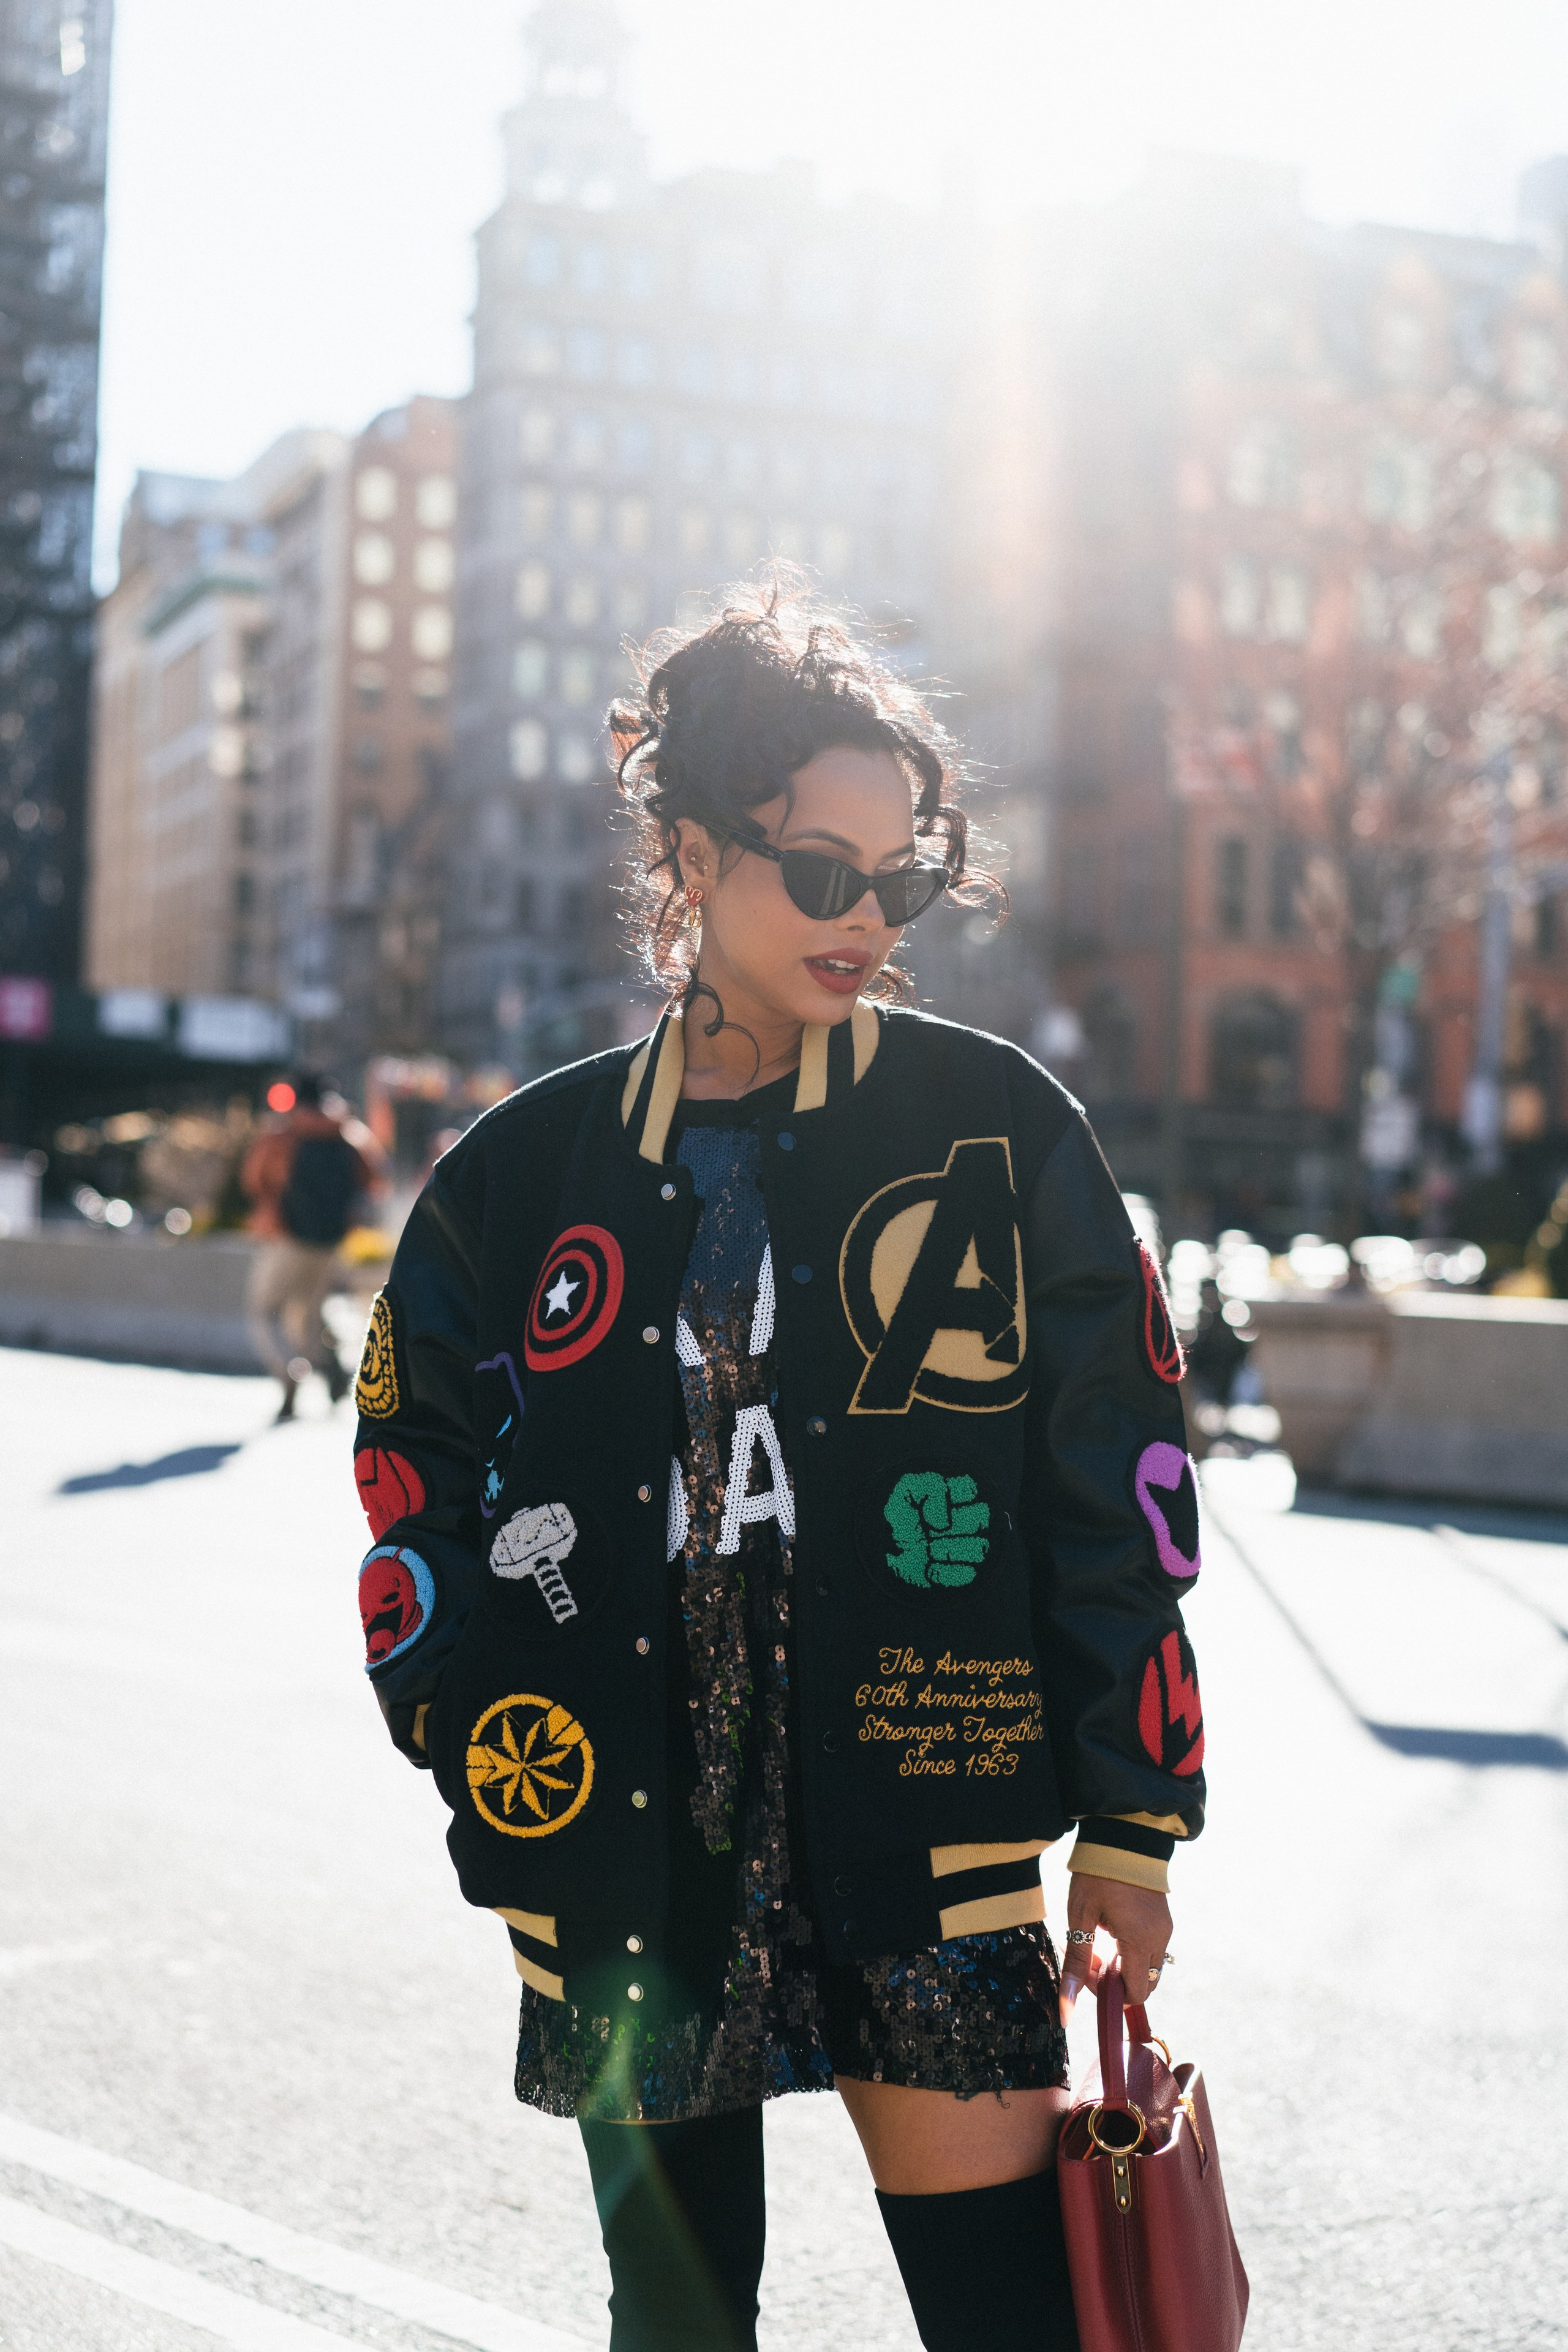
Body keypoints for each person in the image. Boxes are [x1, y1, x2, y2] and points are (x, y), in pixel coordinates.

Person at [349, 585, 1205, 2352]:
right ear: (689, 851)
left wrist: (1132, 1824)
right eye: (819, 873)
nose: (865, 919)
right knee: (674, 2322)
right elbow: (406, 1455)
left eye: (900, 879)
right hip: (620, 1846)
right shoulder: (523, 1171)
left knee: (1010, 2316)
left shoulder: (997, 1130)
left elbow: (1116, 1478)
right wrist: (461, 1716)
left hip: (927, 1824)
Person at [244, 1074, 376, 1421]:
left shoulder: (282, 1134)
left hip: (286, 1236)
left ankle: (289, 1371)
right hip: (331, 1241)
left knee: (264, 1311)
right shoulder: (350, 1133)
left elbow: (254, 1179)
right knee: (311, 1316)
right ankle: (334, 1374)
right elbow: (374, 1179)